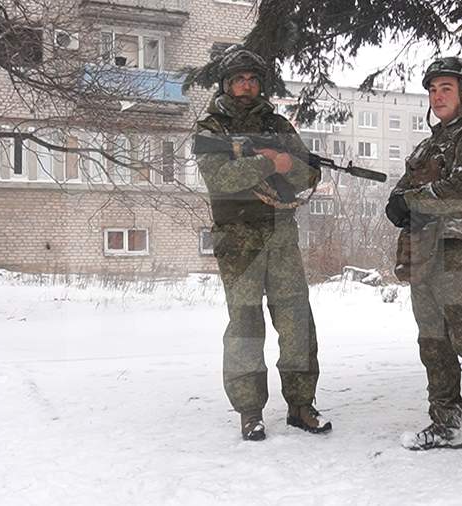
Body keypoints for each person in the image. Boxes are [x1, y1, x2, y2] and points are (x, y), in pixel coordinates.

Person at [194, 45, 331, 441]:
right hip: (238, 239)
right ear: (226, 83)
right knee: (245, 326)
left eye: (253, 79)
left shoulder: (278, 125)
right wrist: (271, 163)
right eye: (239, 79)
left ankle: (301, 405)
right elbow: (221, 178)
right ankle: (250, 411)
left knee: (296, 321)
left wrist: (289, 165)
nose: (247, 85)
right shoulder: (212, 128)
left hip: (280, 235)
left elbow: (308, 175)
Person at [386, 57, 462, 469]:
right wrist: (399, 201)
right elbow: (405, 188)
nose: (437, 96)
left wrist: (411, 201)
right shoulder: (430, 144)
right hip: (423, 251)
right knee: (433, 343)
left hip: (460, 251)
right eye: (432, 90)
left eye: (446, 89)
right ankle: (444, 424)